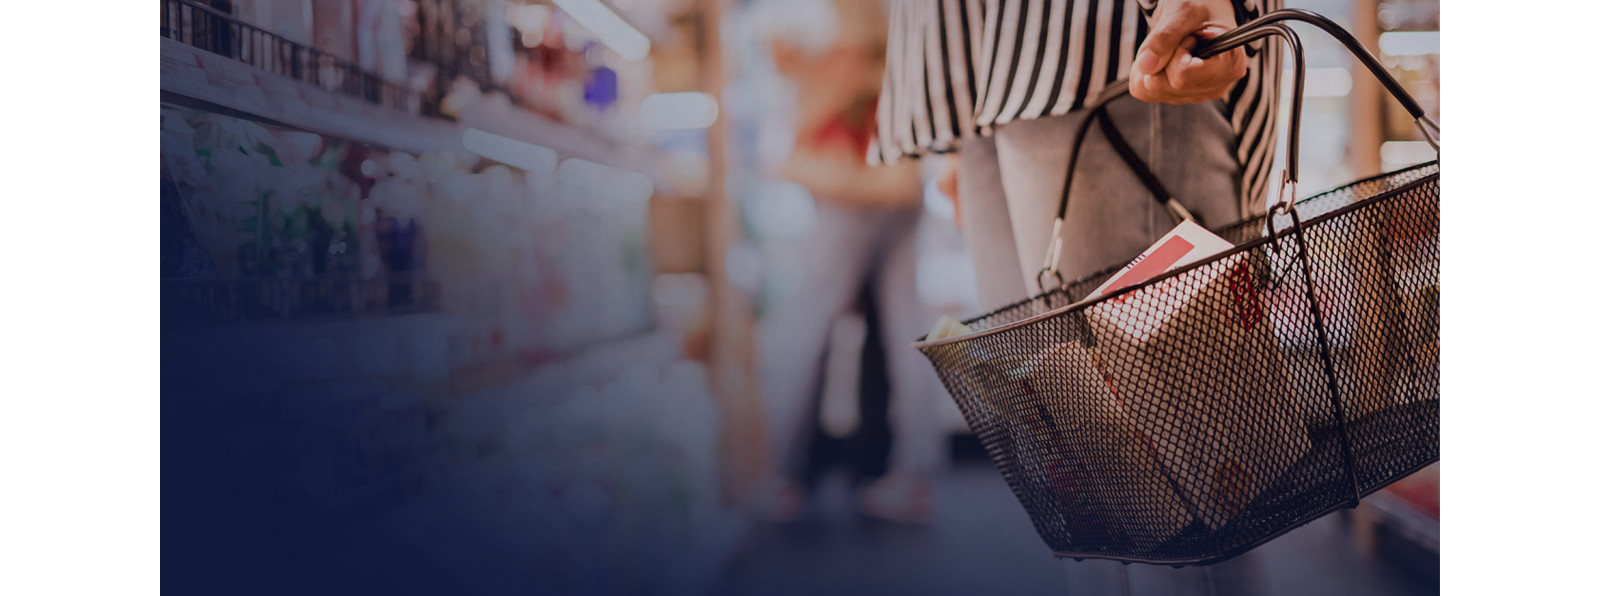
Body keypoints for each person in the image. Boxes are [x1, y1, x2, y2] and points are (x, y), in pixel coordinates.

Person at [872, 0, 1284, 593]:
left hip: (1109, 53)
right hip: (990, 74)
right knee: (1090, 506)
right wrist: (959, 119)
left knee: (1186, 513)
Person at [747, 0, 948, 524]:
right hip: (896, 182)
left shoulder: (843, 50)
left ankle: (782, 476)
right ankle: (912, 475)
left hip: (854, 190)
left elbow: (806, 123)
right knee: (908, 330)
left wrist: (812, 90)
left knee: (806, 329)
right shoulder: (883, 42)